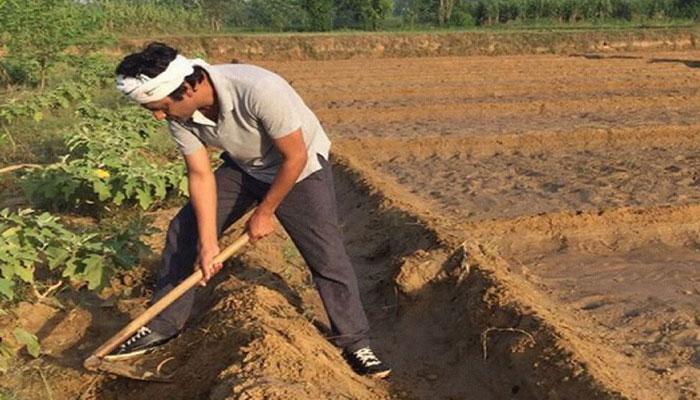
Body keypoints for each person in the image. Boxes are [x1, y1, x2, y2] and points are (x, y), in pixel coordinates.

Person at [109, 42, 390, 378]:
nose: (158, 115)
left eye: (160, 107)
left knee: (326, 255)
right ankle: (163, 324)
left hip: (299, 170)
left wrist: (265, 211)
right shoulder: (178, 114)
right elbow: (200, 175)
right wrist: (208, 240)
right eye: (151, 109)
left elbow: (295, 157)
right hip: (245, 166)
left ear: (187, 87)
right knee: (184, 231)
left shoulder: (258, 89)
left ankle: (355, 342)